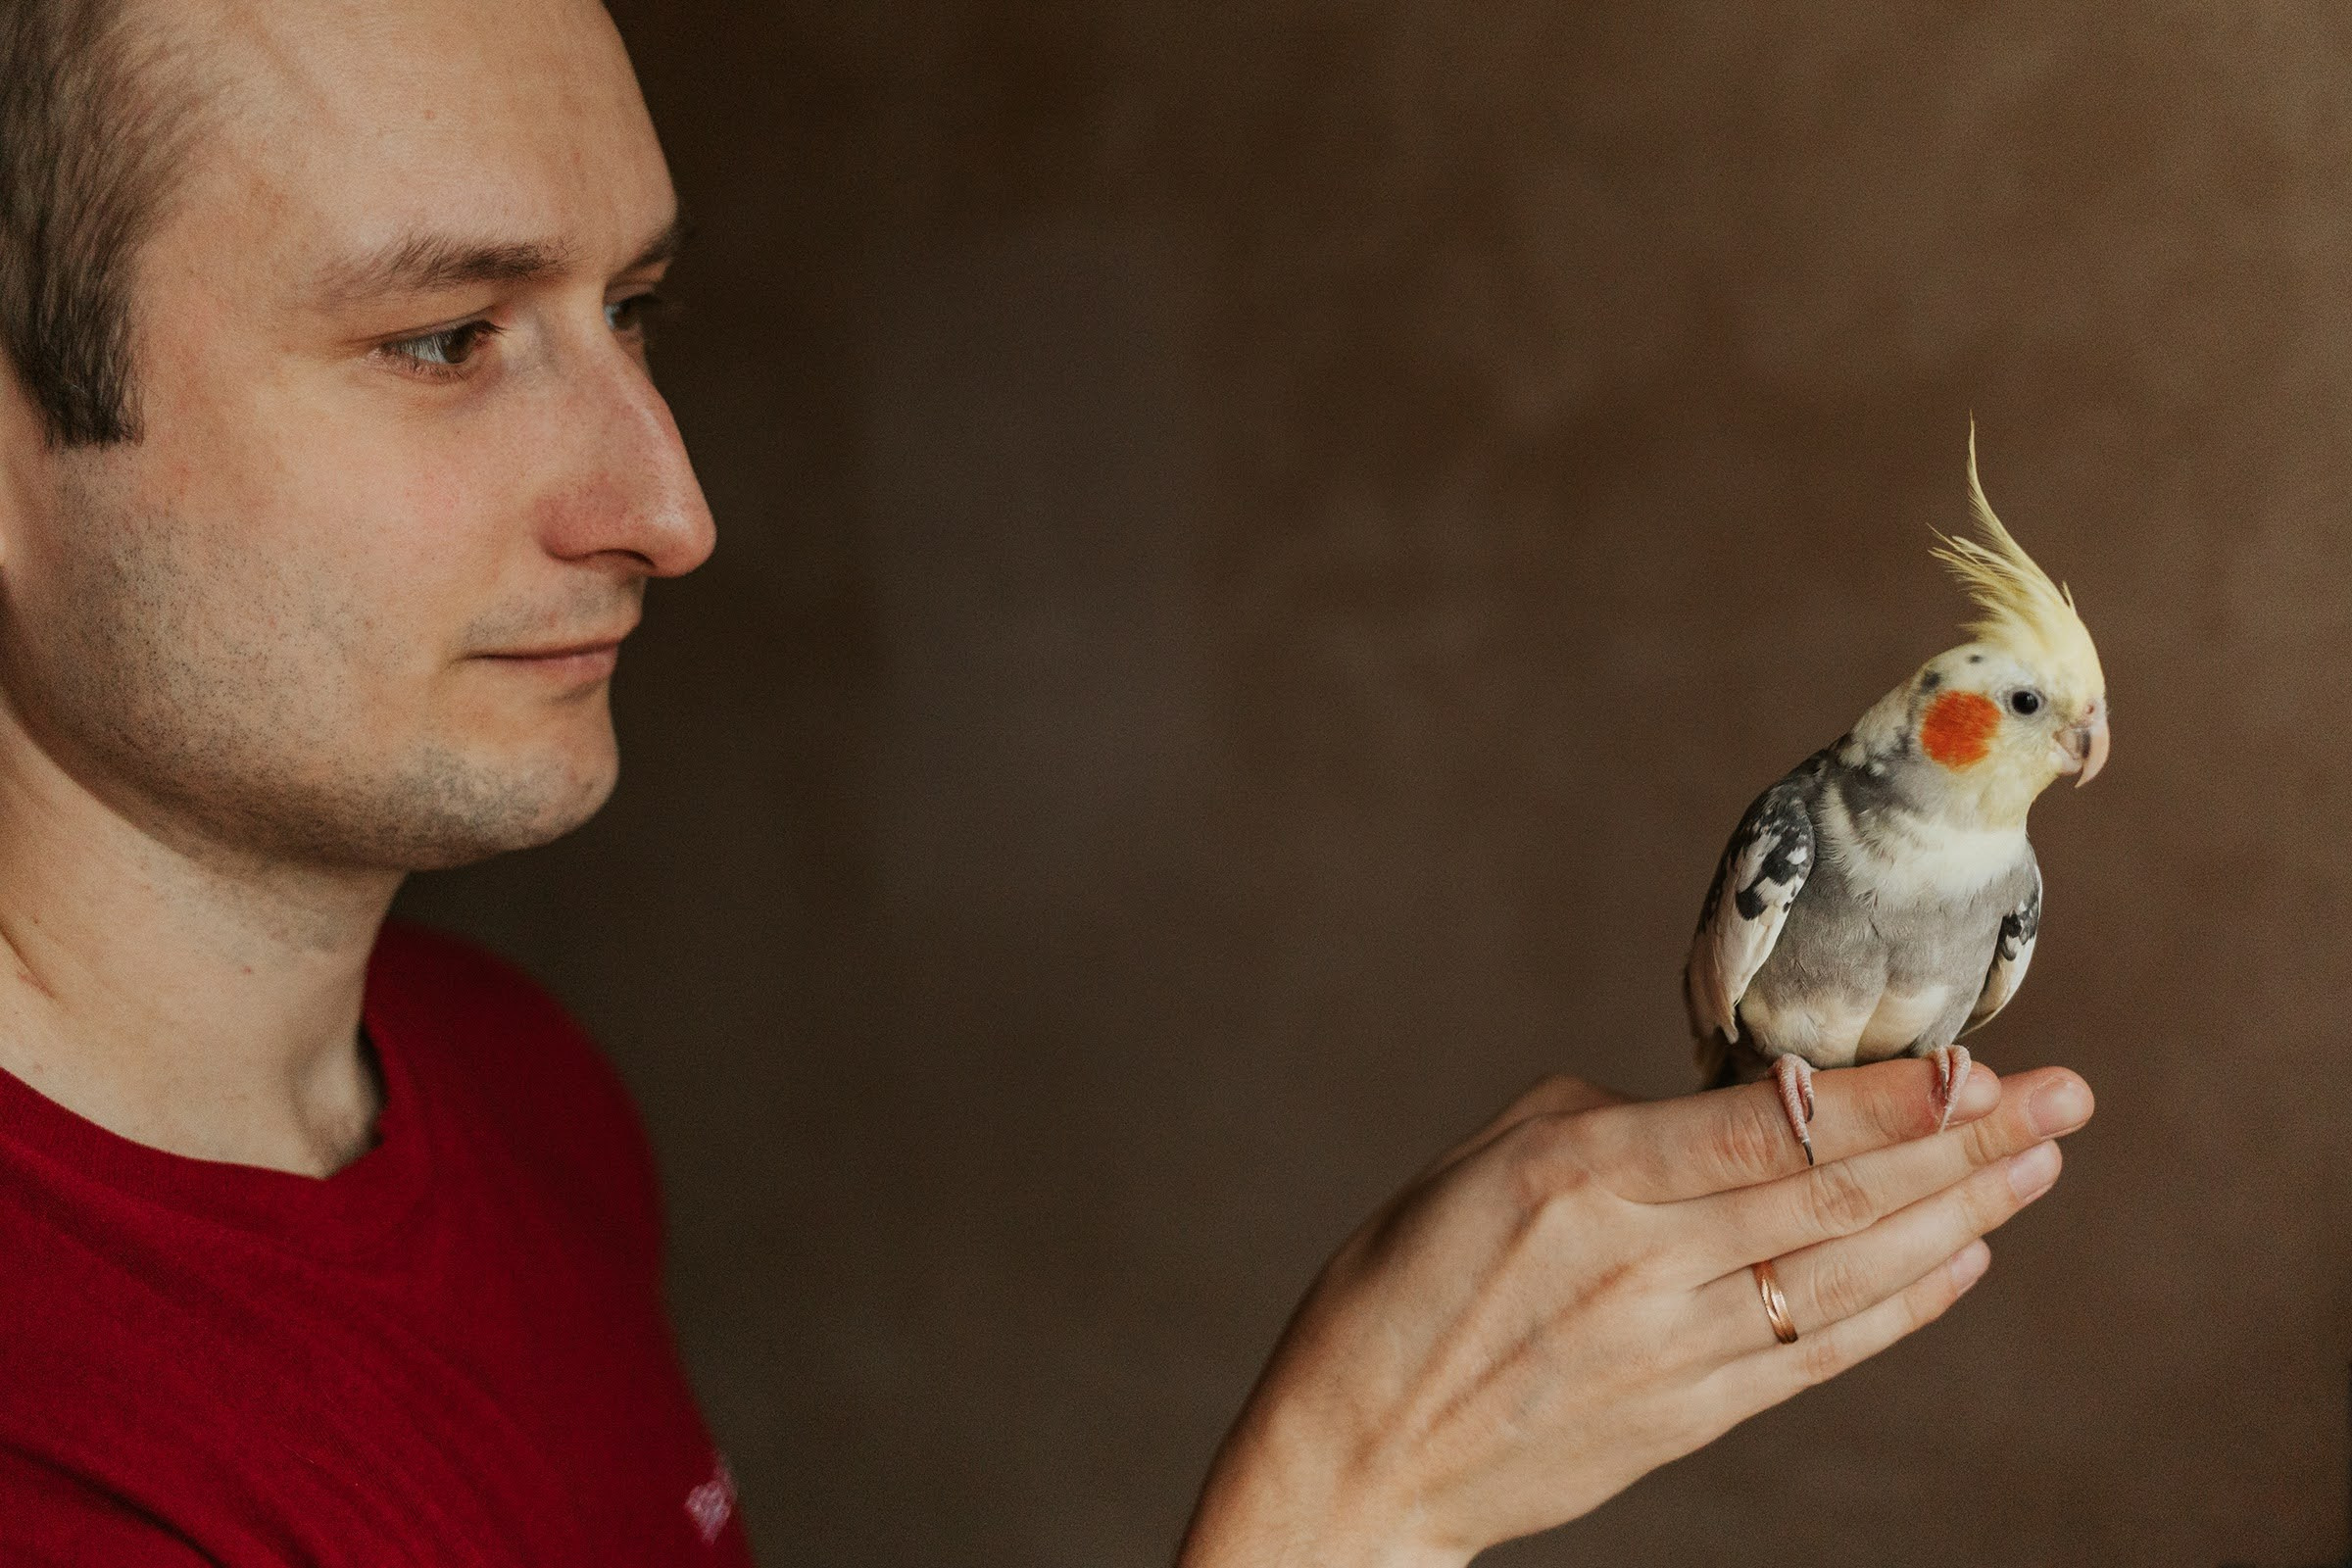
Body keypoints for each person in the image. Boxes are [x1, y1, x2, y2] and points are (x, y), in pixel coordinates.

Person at [0, 0, 2094, 1562]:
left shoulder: (519, 1083)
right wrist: (1344, 1500)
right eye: (446, 337)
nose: (669, 501)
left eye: (633, 308)